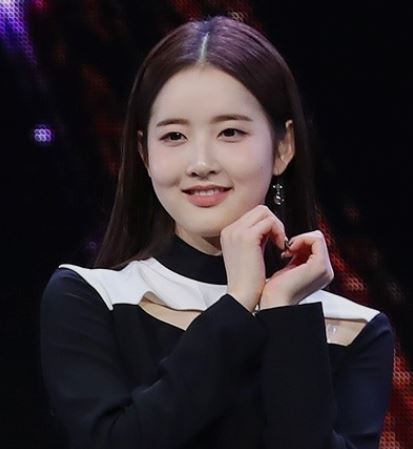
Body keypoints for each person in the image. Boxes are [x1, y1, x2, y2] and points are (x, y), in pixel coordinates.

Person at [40, 15, 394, 449]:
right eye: (174, 136)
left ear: (283, 147)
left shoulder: (354, 329)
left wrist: (285, 312)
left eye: (230, 132)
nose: (201, 162)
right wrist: (238, 303)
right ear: (144, 153)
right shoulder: (91, 298)